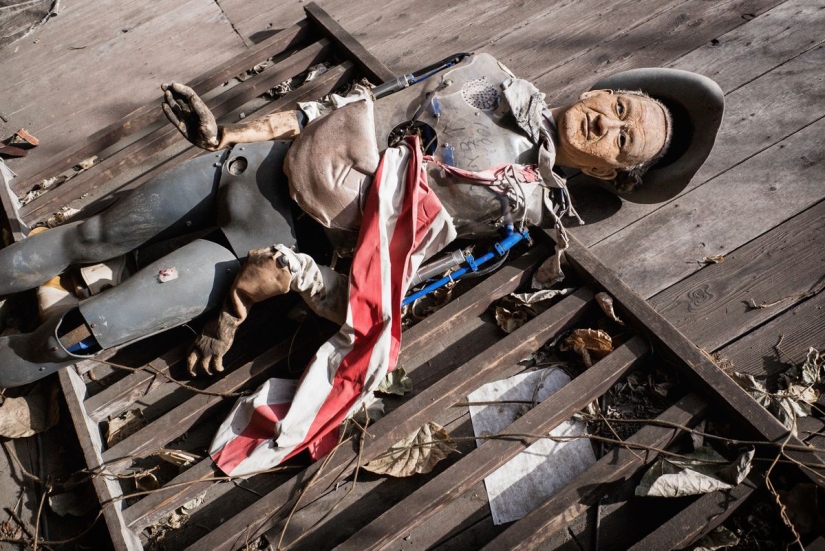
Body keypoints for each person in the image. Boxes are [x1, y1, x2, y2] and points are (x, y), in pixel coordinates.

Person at [0, 54, 723, 389]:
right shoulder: (482, 71)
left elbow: (383, 288)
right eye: (619, 107)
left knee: (83, 331)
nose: (607, 123)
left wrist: (273, 286)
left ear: (610, 174)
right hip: (253, 168)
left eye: (622, 141)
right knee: (83, 236)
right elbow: (355, 107)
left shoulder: (517, 208)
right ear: (602, 89)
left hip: (272, 246)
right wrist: (230, 133)